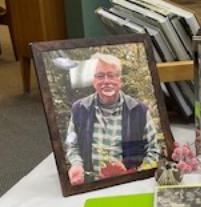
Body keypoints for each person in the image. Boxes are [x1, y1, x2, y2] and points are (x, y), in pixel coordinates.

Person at [65, 52, 160, 185]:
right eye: (100, 76)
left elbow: (154, 150)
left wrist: (134, 171)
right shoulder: (80, 109)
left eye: (111, 75)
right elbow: (72, 146)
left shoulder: (138, 111)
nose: (106, 81)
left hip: (128, 184)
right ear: (93, 81)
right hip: (91, 184)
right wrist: (76, 165)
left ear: (120, 80)